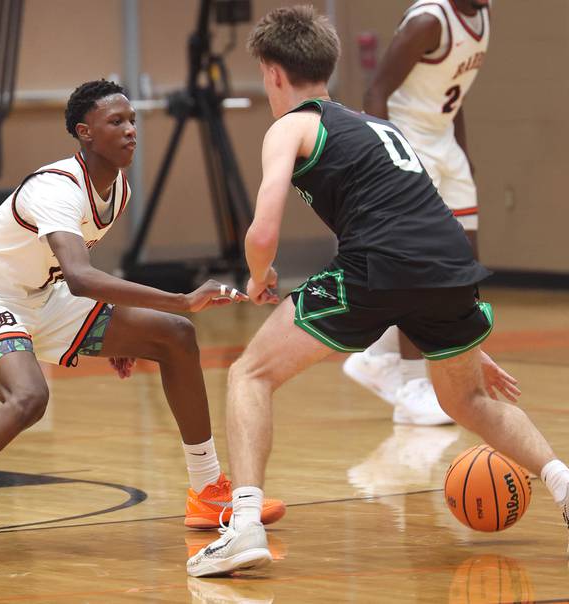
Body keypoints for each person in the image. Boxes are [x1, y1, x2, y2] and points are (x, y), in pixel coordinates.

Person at [187, 5, 569, 577]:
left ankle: (243, 527)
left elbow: (262, 230)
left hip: (380, 266)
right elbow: (421, 230)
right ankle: (564, 482)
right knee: (467, 399)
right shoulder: (379, 126)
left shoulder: (289, 126)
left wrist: (258, 274)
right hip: (448, 265)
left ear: (271, 72)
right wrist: (458, 328)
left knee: (250, 373)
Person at [0, 80, 286, 565]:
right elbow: (82, 277)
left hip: (46, 296)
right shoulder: (54, 187)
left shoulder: (118, 189)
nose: (131, 130)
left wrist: (120, 333)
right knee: (29, 398)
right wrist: (180, 299)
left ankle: (206, 490)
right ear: (84, 133)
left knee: (173, 336)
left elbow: (76, 281)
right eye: (117, 122)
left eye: (132, 120)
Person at [343, 0, 490, 426]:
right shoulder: (428, 20)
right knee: (420, 264)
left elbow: (455, 90)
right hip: (409, 142)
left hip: (444, 142)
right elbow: (375, 93)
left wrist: (462, 150)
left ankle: (378, 353)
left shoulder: (483, 14)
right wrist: (385, 161)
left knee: (464, 262)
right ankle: (411, 385)